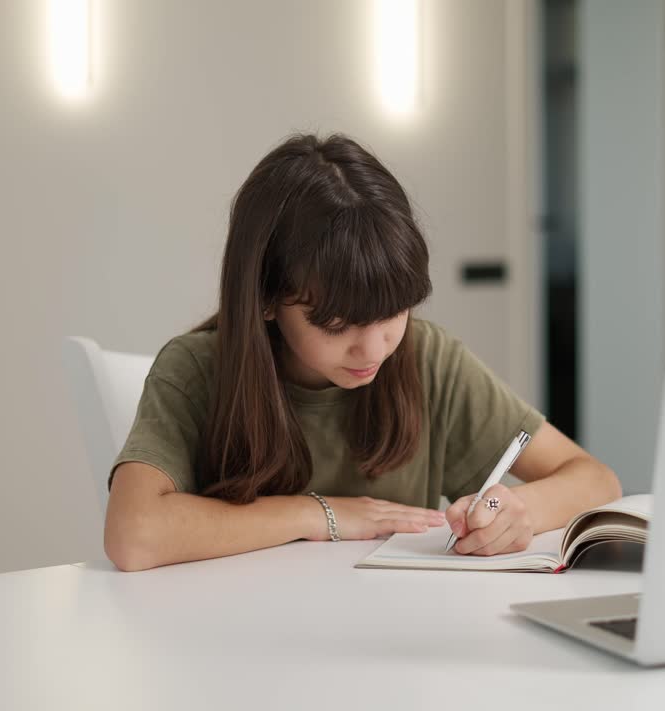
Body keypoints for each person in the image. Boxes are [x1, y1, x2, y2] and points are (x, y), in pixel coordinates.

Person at [104, 133, 621, 571]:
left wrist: (517, 509)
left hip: (390, 646)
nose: (373, 349)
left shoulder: (427, 360)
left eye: (393, 311)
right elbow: (134, 534)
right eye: (336, 323)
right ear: (264, 297)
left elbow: (594, 479)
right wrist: (322, 515)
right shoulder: (197, 370)